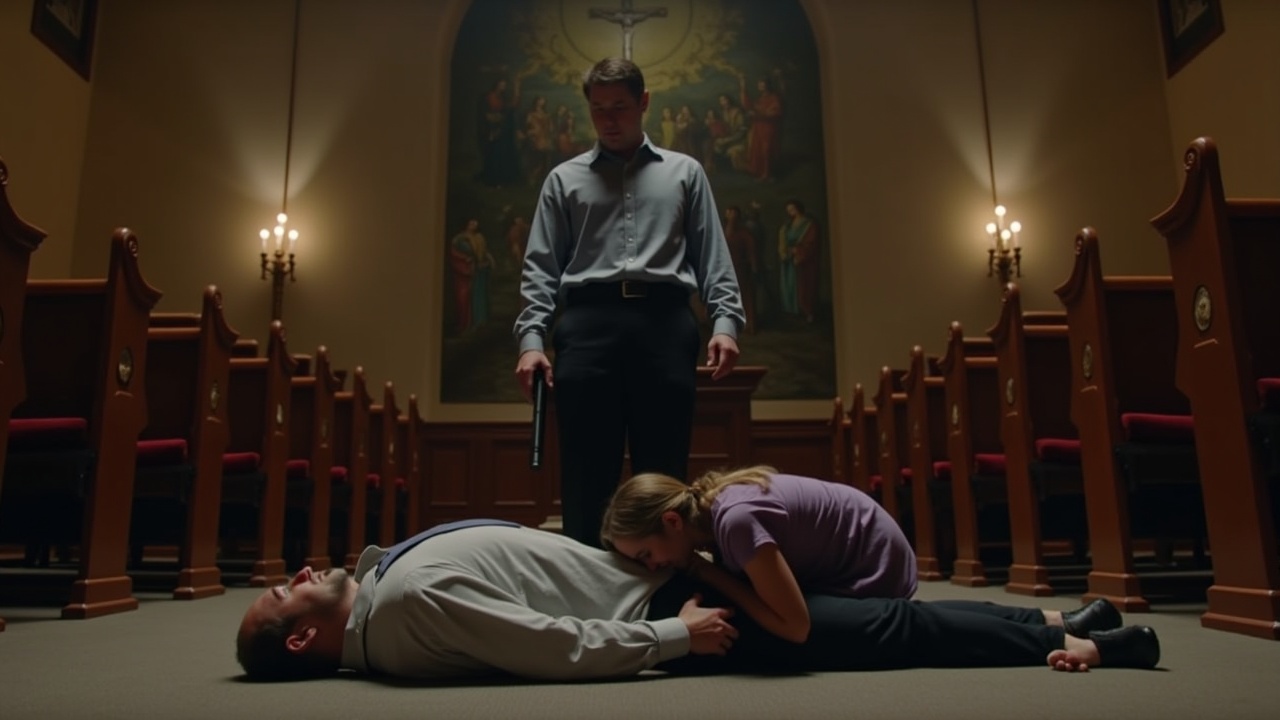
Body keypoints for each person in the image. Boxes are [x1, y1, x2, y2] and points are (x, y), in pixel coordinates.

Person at [235, 521, 1161, 682]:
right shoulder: (399, 617)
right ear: (305, 637)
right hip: (676, 611)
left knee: (876, 616)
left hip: (665, 592)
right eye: (287, 592)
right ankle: (1079, 639)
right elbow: (544, 644)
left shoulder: (386, 589)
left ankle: (1058, 621)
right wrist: (674, 637)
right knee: (888, 628)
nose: (298, 573)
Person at [512, 57, 746, 547]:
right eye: (598, 110)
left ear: (643, 103)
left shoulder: (686, 172)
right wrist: (531, 341)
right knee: (584, 470)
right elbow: (541, 268)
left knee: (662, 473)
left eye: (619, 107)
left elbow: (712, 255)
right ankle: (586, 592)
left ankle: (661, 595)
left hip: (664, 323)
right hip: (586, 325)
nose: (609, 119)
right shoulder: (562, 179)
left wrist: (725, 322)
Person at [600, 465, 918, 643]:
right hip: (859, 554)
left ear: (672, 521)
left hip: (877, 569)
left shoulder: (736, 520)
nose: (651, 567)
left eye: (645, 554)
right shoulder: (713, 513)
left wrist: (712, 573)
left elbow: (796, 627)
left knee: (778, 631)